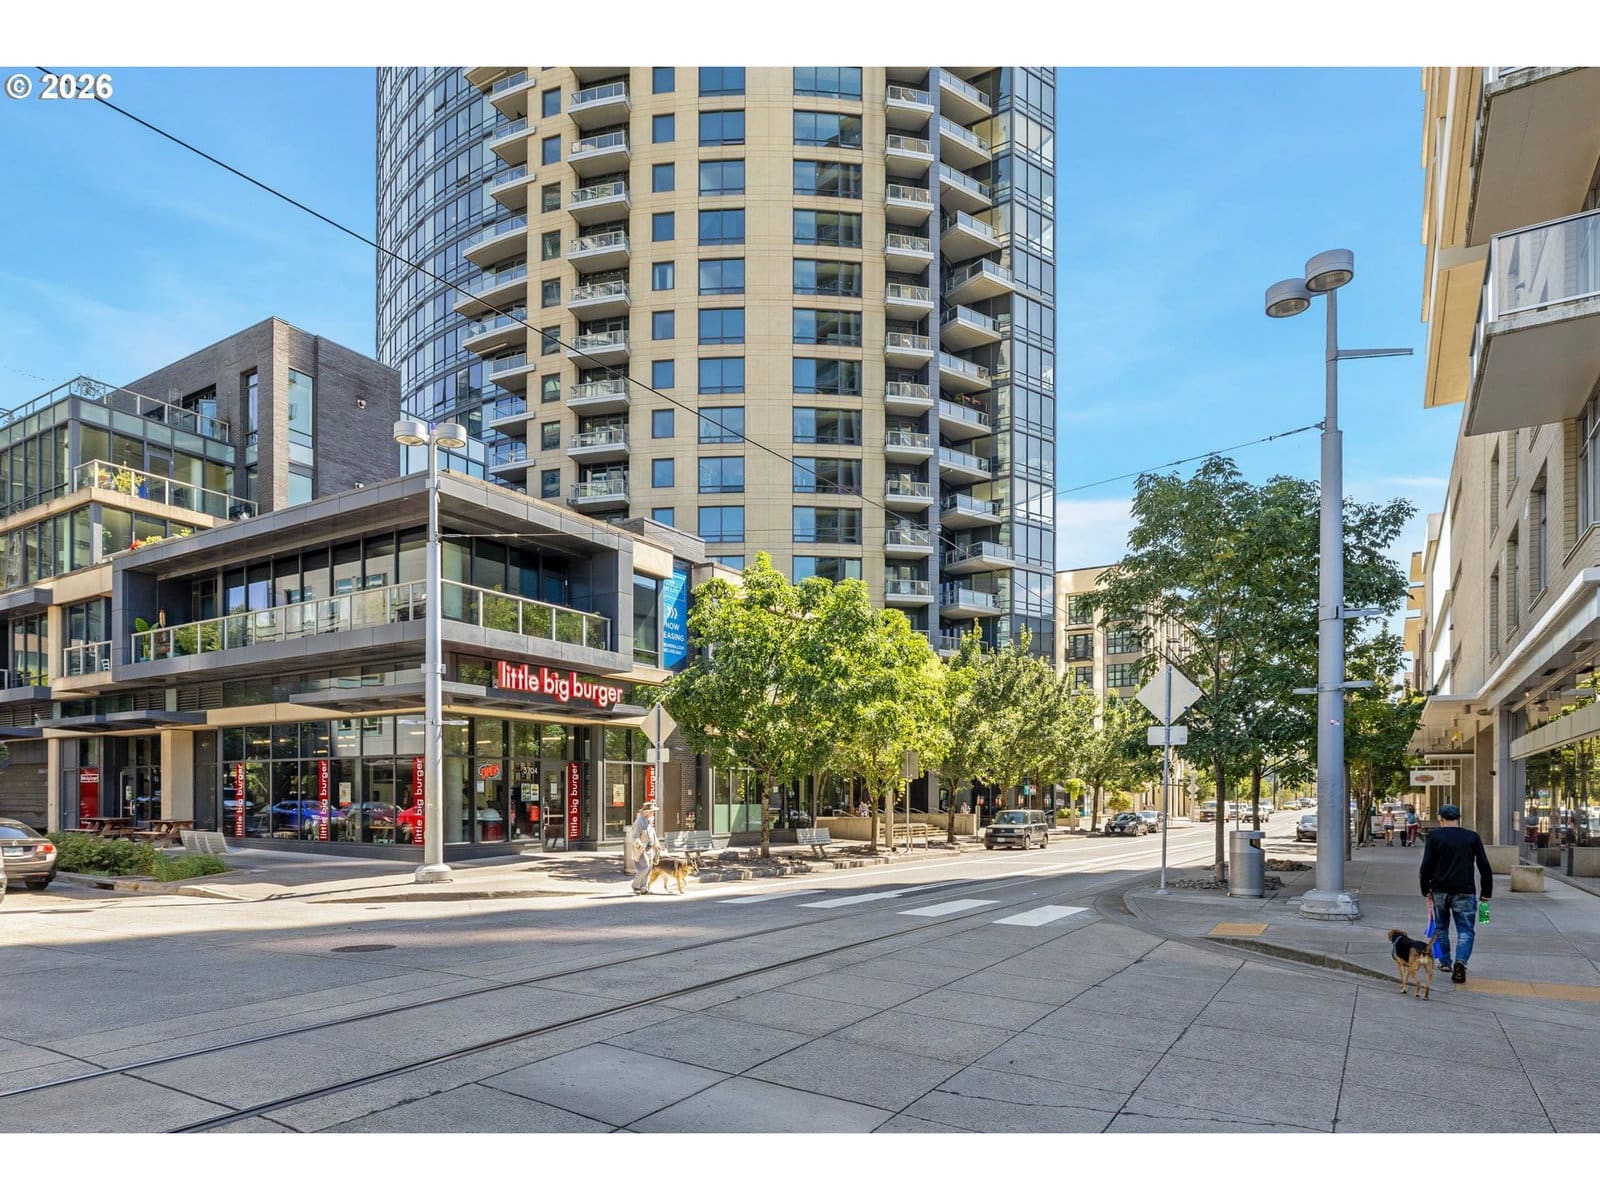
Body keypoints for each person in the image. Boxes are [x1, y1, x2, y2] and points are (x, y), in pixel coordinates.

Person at [1419, 802, 1494, 984]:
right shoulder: (1472, 837)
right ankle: (1460, 962)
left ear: (1440, 818)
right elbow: (1484, 865)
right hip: (1465, 890)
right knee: (1466, 930)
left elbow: (1426, 865)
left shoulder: (1434, 837)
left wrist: (1425, 889)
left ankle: (1445, 962)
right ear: (1458, 818)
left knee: (1441, 927)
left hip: (1439, 890)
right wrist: (1486, 891)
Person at [630, 802, 660, 895]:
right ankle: (636, 886)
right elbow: (634, 837)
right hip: (641, 849)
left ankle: (643, 888)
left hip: (649, 849)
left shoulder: (648, 820)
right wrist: (640, 845)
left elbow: (653, 834)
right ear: (646, 812)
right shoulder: (639, 822)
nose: (653, 813)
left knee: (649, 868)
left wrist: (657, 843)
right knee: (645, 867)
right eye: (652, 811)